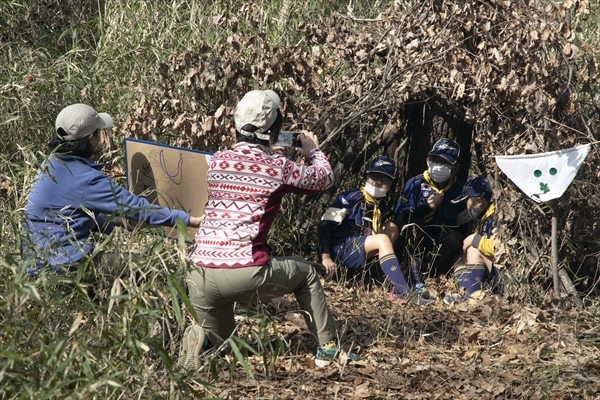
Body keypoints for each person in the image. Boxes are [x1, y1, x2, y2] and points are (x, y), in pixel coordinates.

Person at [181, 90, 346, 370]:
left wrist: (268, 151)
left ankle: (203, 340)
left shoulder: (218, 160)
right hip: (244, 272)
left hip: (199, 274)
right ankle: (328, 349)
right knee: (305, 274)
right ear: (274, 129)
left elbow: (247, 173)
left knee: (224, 340)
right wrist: (311, 151)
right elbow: (324, 177)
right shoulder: (278, 166)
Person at [22, 103, 203, 276]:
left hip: (34, 263)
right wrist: (190, 220)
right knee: (153, 268)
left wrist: (112, 221)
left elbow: (63, 215)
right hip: (64, 266)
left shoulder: (49, 164)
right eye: (99, 133)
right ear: (91, 137)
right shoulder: (88, 179)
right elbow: (138, 209)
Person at [317, 155, 433, 305]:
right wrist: (325, 257)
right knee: (382, 239)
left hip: (360, 249)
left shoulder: (381, 205)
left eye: (385, 180)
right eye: (374, 176)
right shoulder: (349, 199)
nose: (378, 182)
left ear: (391, 185)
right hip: (342, 248)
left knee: (391, 228)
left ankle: (373, 278)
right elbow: (325, 224)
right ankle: (403, 291)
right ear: (366, 177)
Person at [392, 138, 469, 289]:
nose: (439, 166)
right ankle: (411, 274)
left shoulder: (461, 190)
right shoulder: (415, 184)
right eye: (436, 159)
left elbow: (463, 226)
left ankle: (430, 270)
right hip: (414, 241)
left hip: (441, 243)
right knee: (416, 225)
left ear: (456, 168)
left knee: (456, 238)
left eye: (445, 162)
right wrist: (426, 207)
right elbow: (399, 219)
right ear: (428, 161)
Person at [444, 175, 503, 304]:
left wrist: (475, 239)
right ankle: (467, 291)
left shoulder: (496, 216)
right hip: (494, 270)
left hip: (504, 276)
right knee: (460, 255)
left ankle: (472, 297)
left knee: (473, 250)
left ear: (479, 201)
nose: (466, 205)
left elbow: (501, 249)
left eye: (467, 201)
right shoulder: (485, 217)